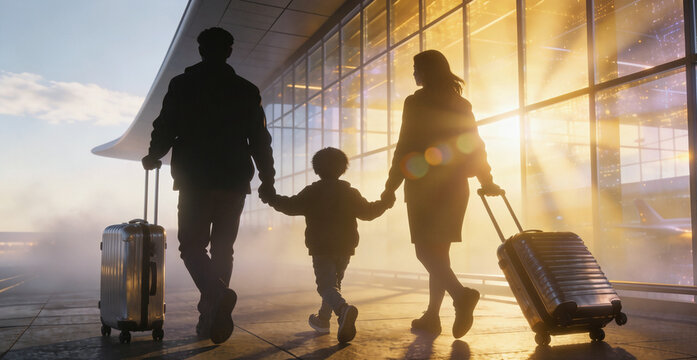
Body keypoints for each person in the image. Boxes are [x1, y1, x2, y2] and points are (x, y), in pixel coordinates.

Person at [141, 27, 276, 344]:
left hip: (195, 178)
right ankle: (210, 314)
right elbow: (259, 139)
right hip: (233, 180)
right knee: (223, 249)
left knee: (191, 247)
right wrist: (267, 177)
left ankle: (215, 296)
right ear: (229, 51)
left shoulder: (184, 84)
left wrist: (154, 154)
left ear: (200, 50)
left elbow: (165, 124)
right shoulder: (245, 90)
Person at [381, 49, 502, 338]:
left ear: (427, 71)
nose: (413, 74)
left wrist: (390, 187)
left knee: (425, 251)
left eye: (416, 68)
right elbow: (474, 143)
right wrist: (487, 180)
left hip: (424, 186)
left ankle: (461, 296)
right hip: (456, 187)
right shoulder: (461, 103)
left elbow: (405, 145)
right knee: (440, 254)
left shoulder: (416, 101)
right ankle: (432, 316)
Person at [267, 147, 393, 343]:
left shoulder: (313, 192)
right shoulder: (350, 193)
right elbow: (368, 212)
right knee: (334, 285)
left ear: (316, 169)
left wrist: (271, 198)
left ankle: (343, 310)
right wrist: (384, 203)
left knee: (325, 286)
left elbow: (290, 206)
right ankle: (323, 320)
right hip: (345, 248)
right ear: (343, 169)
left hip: (321, 247)